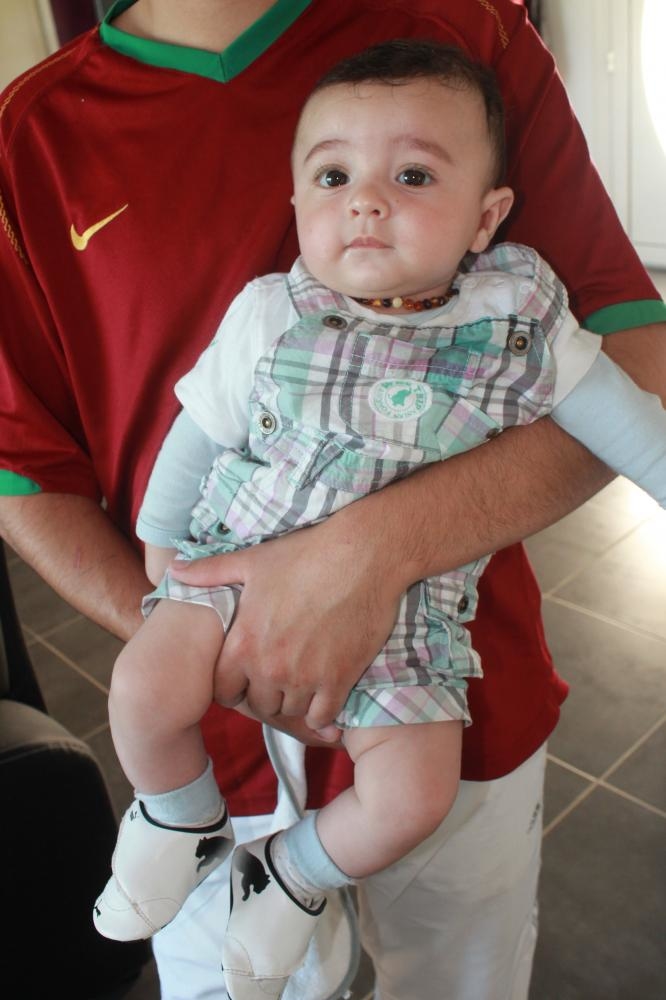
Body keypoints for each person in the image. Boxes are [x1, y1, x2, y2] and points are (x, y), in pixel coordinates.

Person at [1, 2, 664, 998]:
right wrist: (192, 623)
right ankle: (179, 820)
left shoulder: (468, 36)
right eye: (332, 178)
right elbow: (24, 468)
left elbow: (633, 366)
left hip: (453, 686)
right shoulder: (30, 137)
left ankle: (298, 867)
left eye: (413, 177)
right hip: (206, 708)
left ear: (487, 216)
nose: (366, 204)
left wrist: (370, 556)